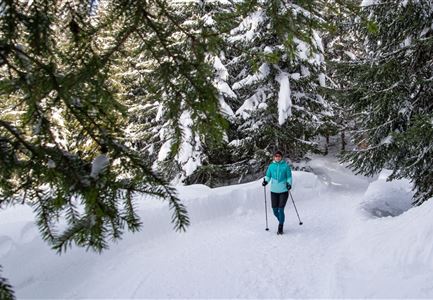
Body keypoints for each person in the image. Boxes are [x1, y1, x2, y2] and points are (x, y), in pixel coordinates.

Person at [262, 150, 293, 235]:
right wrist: (266, 182)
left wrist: (289, 184)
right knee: (275, 211)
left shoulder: (286, 166)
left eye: (279, 156)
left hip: (283, 191)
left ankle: (280, 226)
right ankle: (281, 220)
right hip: (274, 191)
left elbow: (289, 177)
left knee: (281, 209)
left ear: (281, 157)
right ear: (274, 157)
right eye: (276, 156)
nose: (277, 157)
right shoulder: (271, 166)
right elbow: (268, 176)